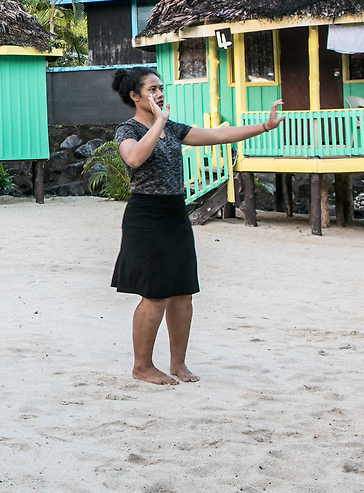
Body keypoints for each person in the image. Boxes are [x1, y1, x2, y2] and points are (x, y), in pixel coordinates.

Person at [110, 66, 283, 385]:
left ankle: (178, 364)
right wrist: (158, 122)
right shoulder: (127, 130)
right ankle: (142, 367)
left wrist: (264, 126)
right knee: (155, 294)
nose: (159, 94)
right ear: (135, 96)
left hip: (175, 213)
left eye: (161, 88)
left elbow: (218, 135)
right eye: (151, 89)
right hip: (146, 216)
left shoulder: (173, 128)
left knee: (183, 292)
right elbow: (134, 158)